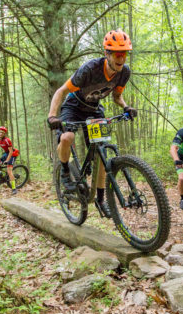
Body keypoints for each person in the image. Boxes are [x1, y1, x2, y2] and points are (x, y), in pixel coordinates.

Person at [46, 29, 138, 217]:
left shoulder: (124, 73)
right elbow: (61, 91)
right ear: (107, 53)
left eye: (125, 54)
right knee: (68, 137)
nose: (121, 58)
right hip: (73, 106)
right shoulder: (89, 69)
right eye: (117, 54)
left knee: (101, 153)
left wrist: (126, 107)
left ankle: (100, 200)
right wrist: (52, 116)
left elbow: (117, 96)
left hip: (94, 108)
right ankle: (64, 171)